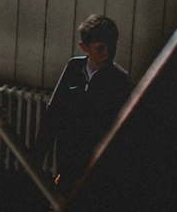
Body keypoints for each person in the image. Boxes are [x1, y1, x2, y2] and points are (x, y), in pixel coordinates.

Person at [34, 14, 132, 196]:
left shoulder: (120, 81)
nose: (108, 54)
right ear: (84, 47)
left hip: (96, 162)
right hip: (67, 155)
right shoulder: (73, 68)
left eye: (112, 47)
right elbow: (54, 112)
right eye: (100, 49)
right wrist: (38, 155)